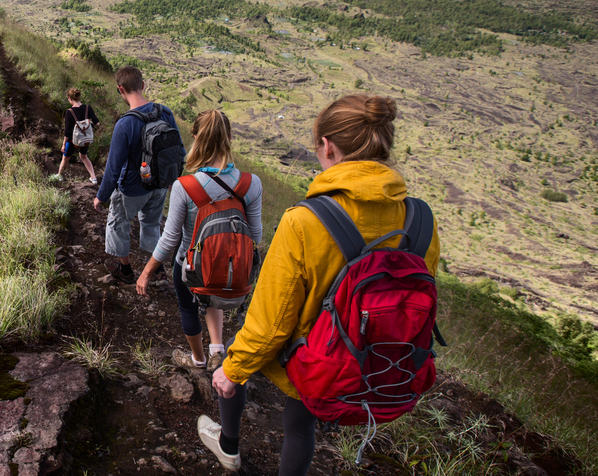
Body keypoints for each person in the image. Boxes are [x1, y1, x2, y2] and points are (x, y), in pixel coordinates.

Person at [199, 94, 441, 474]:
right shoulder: (420, 220)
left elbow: (271, 322)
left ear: (327, 146)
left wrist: (233, 371)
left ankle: (228, 446)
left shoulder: (305, 221)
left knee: (235, 353)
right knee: (300, 424)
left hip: (315, 359)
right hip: (378, 362)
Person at [135, 109, 262, 372]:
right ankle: (218, 349)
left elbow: (170, 239)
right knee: (215, 291)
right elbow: (256, 236)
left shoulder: (185, 185)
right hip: (230, 267)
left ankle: (198, 359)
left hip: (190, 266)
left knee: (189, 308)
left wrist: (146, 272)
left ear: (195, 137)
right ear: (229, 137)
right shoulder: (252, 184)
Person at [93, 66, 180, 284]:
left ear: (120, 89)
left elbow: (113, 169)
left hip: (132, 188)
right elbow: (179, 152)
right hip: (160, 186)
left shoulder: (125, 124)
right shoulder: (165, 113)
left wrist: (101, 196)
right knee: (151, 224)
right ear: (142, 85)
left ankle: (125, 270)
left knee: (118, 222)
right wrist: (171, 180)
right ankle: (156, 270)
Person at [57, 87, 100, 184]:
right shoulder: (88, 108)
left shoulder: (69, 112)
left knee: (65, 158)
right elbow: (97, 123)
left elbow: (68, 131)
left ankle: (59, 175)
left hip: (73, 140)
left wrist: (64, 144)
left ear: (70, 98)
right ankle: (93, 177)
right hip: (85, 138)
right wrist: (88, 124)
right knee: (84, 157)